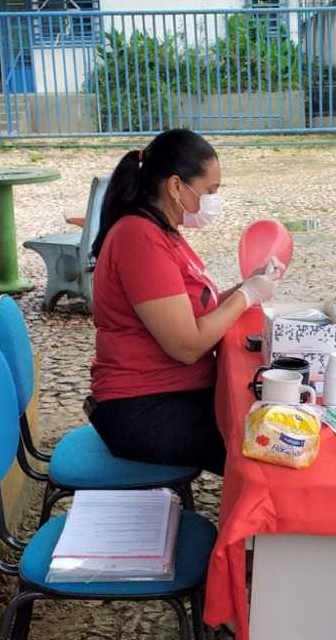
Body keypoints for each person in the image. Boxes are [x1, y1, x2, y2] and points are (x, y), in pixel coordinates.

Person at [87, 128, 283, 475]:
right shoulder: (139, 238)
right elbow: (187, 345)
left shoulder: (164, 230)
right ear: (176, 186)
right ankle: (256, 525)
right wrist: (247, 295)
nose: (213, 199)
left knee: (276, 410)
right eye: (210, 190)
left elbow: (194, 309)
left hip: (174, 392)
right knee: (269, 444)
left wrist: (248, 284)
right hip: (142, 408)